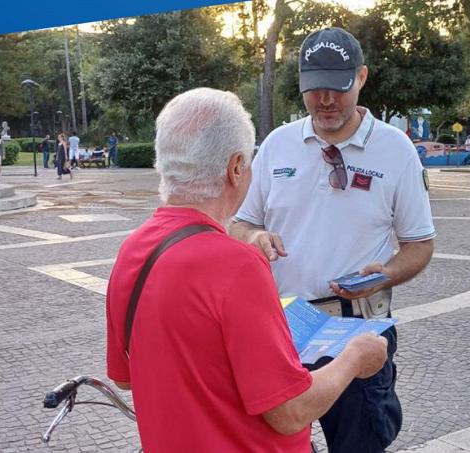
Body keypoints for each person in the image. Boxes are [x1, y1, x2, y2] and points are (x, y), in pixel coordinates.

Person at [105, 87, 388, 452]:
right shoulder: (237, 265)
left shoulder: (133, 251)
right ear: (236, 168)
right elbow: (289, 412)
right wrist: (355, 357)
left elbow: (127, 377)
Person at [230, 28, 436, 453]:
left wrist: (387, 274)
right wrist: (255, 237)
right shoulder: (276, 146)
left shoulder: (396, 151)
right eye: (315, 89)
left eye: (337, 88)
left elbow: (419, 245)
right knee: (278, 445)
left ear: (361, 77)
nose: (325, 100)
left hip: (357, 328)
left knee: (359, 445)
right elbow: (240, 224)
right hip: (281, 328)